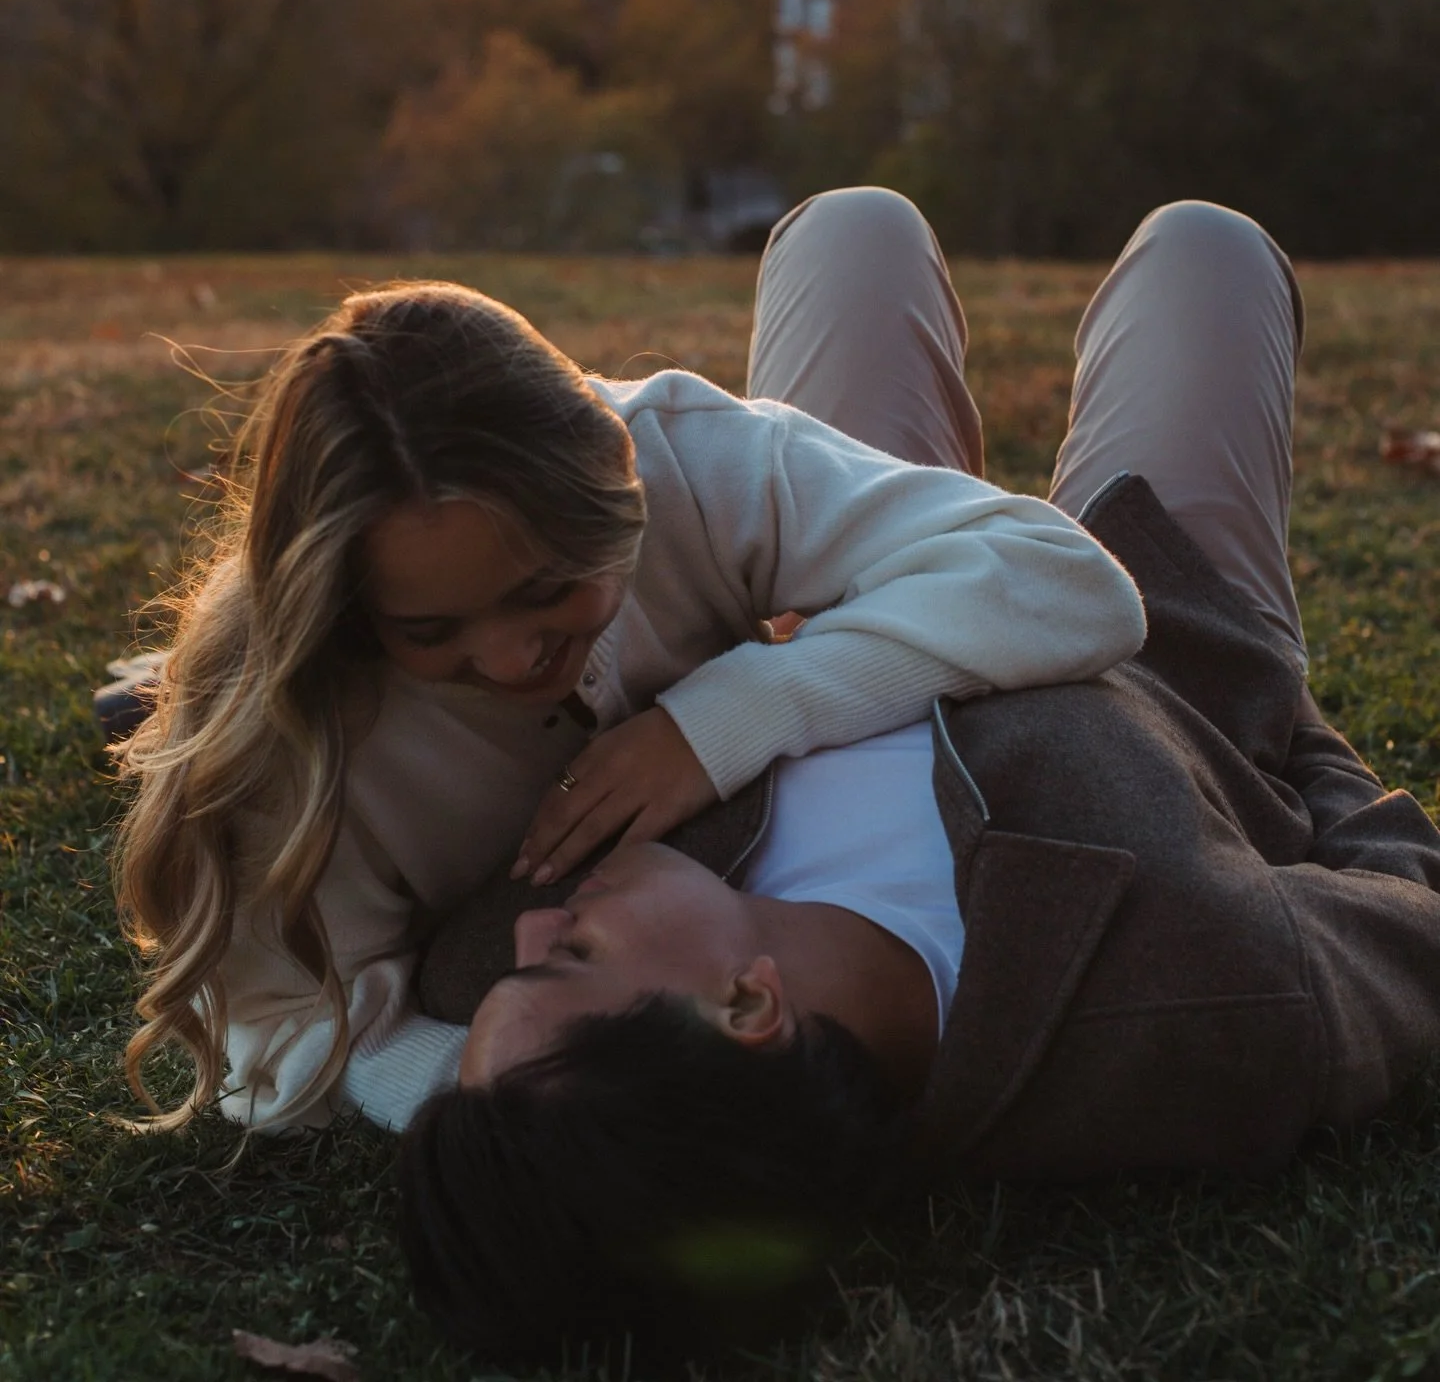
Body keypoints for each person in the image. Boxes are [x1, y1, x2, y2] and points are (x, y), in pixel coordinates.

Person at [395, 198, 1440, 1365]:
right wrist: (1282, 723)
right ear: (748, 1006)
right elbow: (1408, 897)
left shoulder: (501, 959)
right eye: (571, 958)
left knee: (849, 230)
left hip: (854, 566)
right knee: (1208, 250)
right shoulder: (1212, 1000)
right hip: (1166, 611)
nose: (534, 923)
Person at [111, 188, 1146, 1132]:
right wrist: (529, 1087)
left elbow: (1069, 581)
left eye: (547, 589)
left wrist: (721, 721)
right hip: (674, 912)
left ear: (622, 492)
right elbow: (286, 1035)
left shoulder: (677, 454)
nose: (514, 657)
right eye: (431, 632)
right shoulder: (289, 748)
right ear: (350, 609)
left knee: (857, 223)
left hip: (790, 758)